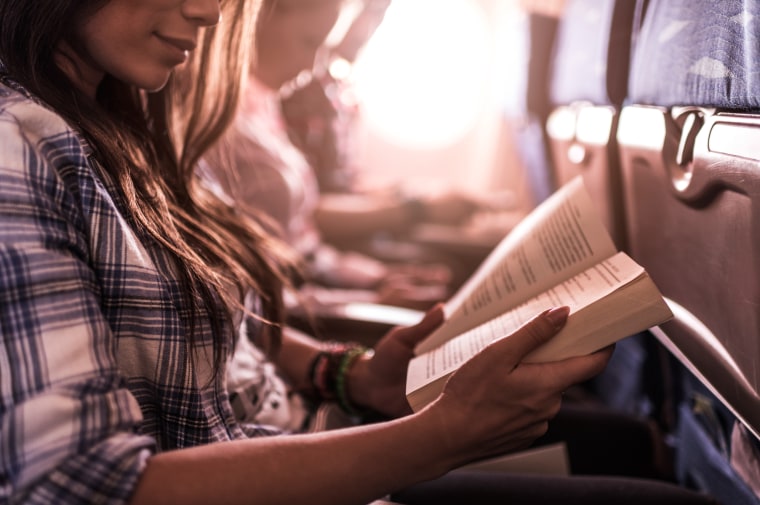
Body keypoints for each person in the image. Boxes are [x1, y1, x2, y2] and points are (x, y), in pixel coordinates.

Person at [0, 1, 721, 504]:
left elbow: (224, 323)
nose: (211, 12)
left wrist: (349, 374)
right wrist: (434, 437)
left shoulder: (121, 130)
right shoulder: (18, 147)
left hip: (287, 434)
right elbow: (78, 485)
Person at [201, 0, 490, 312]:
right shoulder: (219, 123)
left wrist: (377, 278)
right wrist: (370, 298)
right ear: (259, 18)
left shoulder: (263, 103)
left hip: (313, 280)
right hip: (291, 309)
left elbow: (307, 247)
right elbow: (259, 291)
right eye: (309, 42)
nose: (313, 66)